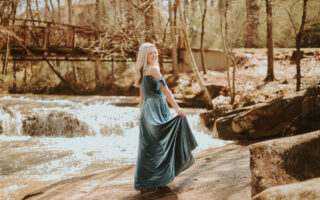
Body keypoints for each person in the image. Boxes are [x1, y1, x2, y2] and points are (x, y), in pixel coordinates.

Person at [133, 42, 198, 192]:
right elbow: (166, 91)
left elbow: (141, 96)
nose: (154, 55)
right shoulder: (154, 70)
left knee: (149, 147)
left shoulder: (142, 70)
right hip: (157, 108)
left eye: (155, 52)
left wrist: (141, 114)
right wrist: (177, 108)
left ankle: (147, 182)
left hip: (147, 111)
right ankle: (159, 179)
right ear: (145, 56)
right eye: (151, 53)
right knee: (162, 143)